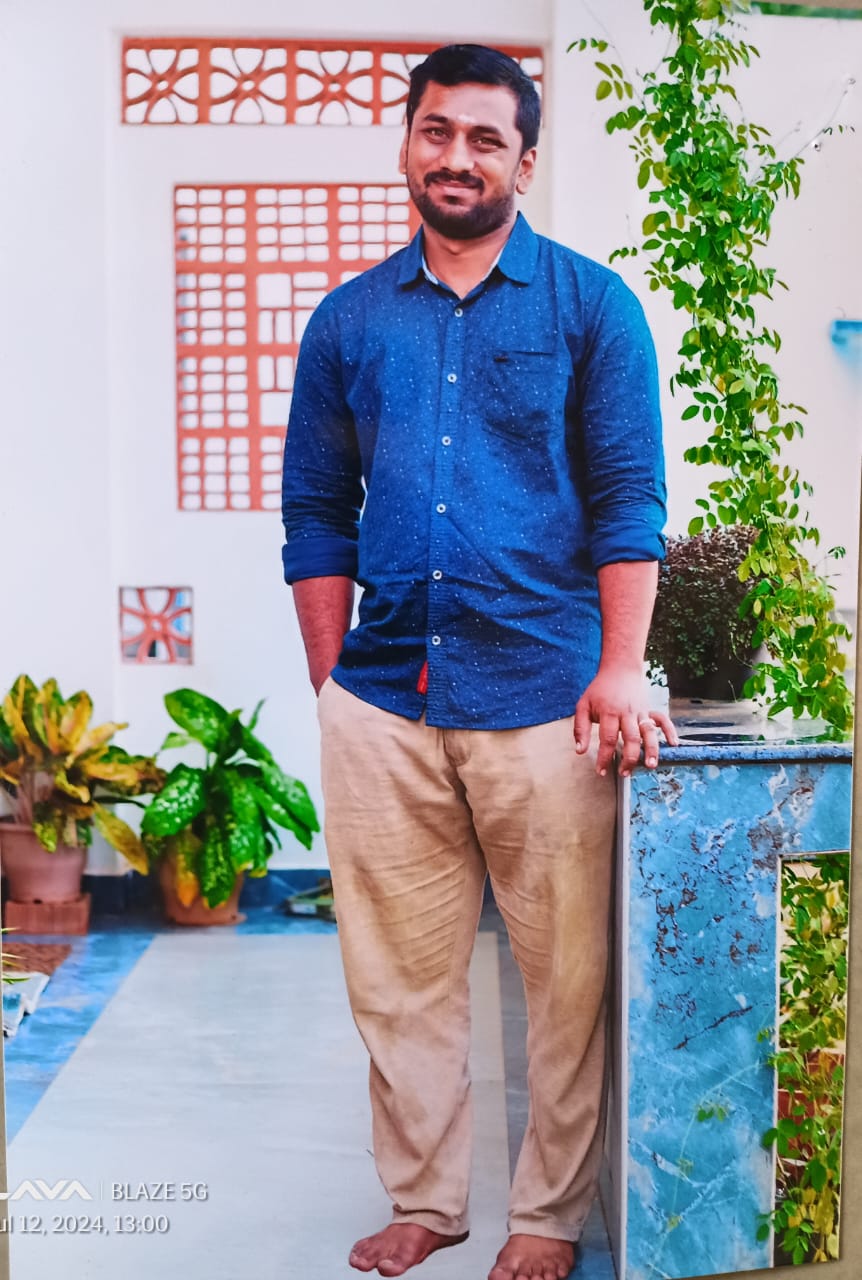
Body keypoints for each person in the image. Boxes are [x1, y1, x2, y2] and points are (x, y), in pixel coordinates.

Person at [281, 43, 677, 1280]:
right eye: (437, 131)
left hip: (547, 700)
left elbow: (628, 500)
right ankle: (427, 1198)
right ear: (408, 142)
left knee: (563, 981)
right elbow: (315, 513)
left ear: (524, 160)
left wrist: (621, 667)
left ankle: (546, 1213)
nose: (457, 157)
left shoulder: (590, 308)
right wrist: (331, 684)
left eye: (484, 139)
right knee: (397, 981)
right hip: (382, 703)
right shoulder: (349, 321)